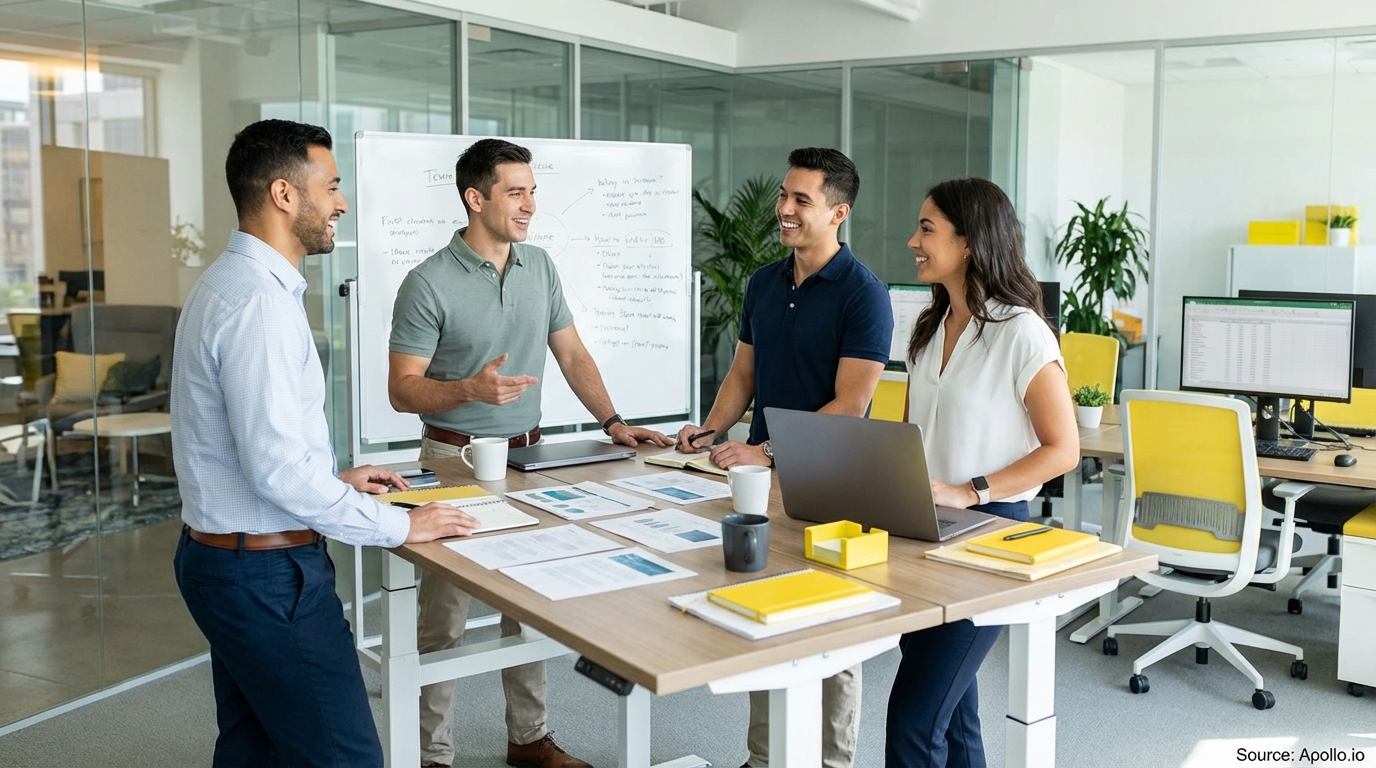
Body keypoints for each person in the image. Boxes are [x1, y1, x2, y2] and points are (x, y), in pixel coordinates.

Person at [171, 119, 480, 768]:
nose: (341, 203)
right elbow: (279, 470)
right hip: (264, 575)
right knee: (347, 757)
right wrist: (400, 528)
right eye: (332, 186)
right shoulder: (258, 304)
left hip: (230, 560)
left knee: (256, 747)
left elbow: (245, 448)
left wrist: (333, 480)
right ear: (285, 195)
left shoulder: (228, 285)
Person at [388, 137, 672, 768]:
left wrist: (614, 420)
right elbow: (401, 390)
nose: (530, 204)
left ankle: (530, 740)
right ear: (475, 197)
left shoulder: (539, 266)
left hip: (527, 461)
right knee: (444, 623)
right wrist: (470, 388)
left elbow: (571, 354)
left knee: (533, 606)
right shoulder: (427, 282)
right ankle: (430, 757)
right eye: (516, 191)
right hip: (450, 462)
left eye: (533, 191)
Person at [675, 147, 892, 768]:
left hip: (833, 479)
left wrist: (762, 449)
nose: (785, 210)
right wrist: (711, 431)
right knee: (769, 612)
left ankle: (830, 762)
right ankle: (767, 758)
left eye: (802, 200)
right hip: (763, 479)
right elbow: (744, 373)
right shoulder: (763, 283)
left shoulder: (864, 294)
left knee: (833, 628)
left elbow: (850, 406)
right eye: (784, 196)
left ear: (838, 213)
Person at [886, 177, 1079, 767]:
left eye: (927, 228)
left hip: (989, 534)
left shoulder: (1021, 333)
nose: (913, 241)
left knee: (914, 722)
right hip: (922, 530)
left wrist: (971, 491)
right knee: (955, 714)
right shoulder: (928, 326)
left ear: (969, 243)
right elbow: (911, 434)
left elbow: (1063, 449)